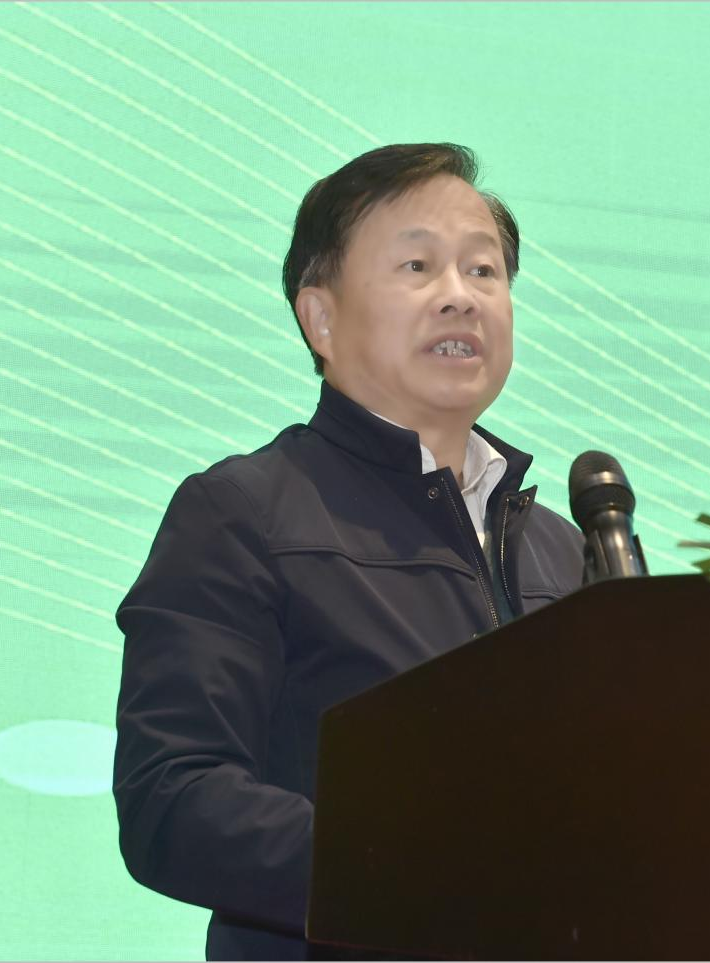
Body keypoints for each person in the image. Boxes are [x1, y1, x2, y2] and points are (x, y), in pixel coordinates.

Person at [112, 143, 585, 961]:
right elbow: (173, 798)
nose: (460, 296)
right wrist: (417, 864)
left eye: (483, 271)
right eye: (417, 266)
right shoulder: (244, 513)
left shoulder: (562, 550)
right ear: (320, 319)